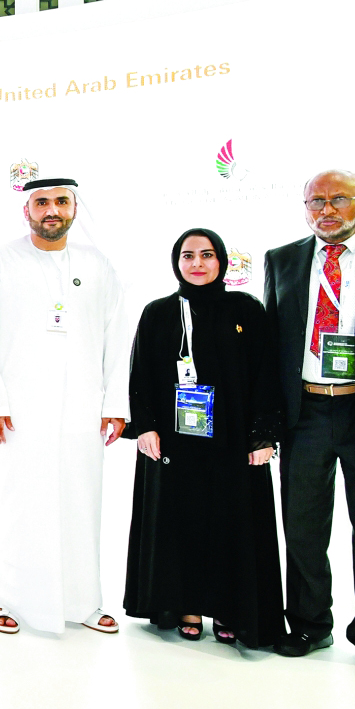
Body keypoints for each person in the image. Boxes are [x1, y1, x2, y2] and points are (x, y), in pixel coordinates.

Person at [264, 170, 355, 683]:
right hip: (305, 413)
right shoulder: (282, 259)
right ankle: (308, 624)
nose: (326, 210)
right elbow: (273, 342)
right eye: (315, 201)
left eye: (338, 199)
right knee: (301, 528)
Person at [124, 228, 285, 647]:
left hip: (233, 442)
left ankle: (230, 608)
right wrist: (145, 427)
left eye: (207, 255)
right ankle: (186, 605)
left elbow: (266, 376)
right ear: (176, 262)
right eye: (188, 255)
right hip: (175, 442)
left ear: (222, 261)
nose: (197, 263)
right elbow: (140, 376)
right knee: (181, 523)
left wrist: (263, 437)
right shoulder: (158, 312)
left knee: (232, 523)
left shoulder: (246, 310)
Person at [0, 178, 129, 636]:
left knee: (81, 504)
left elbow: (117, 335)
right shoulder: (2, 261)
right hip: (18, 409)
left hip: (82, 406)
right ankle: (8, 599)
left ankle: (84, 602)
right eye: (42, 202)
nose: (52, 210)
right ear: (26, 210)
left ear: (74, 209)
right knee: (20, 505)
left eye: (61, 202)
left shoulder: (96, 263)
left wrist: (115, 402)